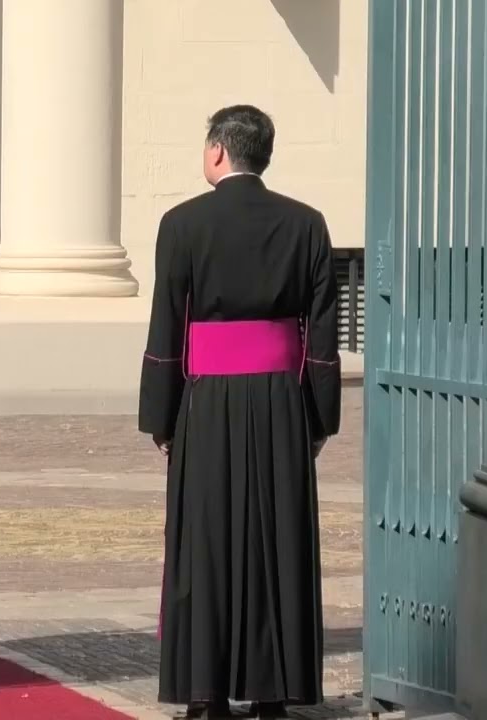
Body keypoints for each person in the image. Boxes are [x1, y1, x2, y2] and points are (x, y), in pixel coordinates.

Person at [138, 105, 341, 719]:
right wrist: (319, 417)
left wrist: (161, 416)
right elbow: (321, 334)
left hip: (207, 400)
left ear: (218, 151)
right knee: (278, 542)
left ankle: (206, 695)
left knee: (205, 542)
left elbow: (168, 324)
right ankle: (274, 694)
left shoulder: (182, 223)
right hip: (281, 400)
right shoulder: (307, 223)